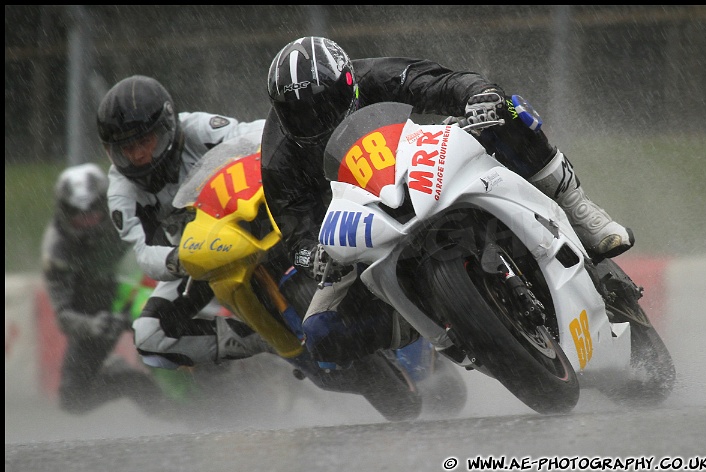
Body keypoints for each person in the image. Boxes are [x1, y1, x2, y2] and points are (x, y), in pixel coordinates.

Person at [261, 36, 635, 365]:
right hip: (363, 220)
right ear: (281, 111)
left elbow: (445, 82)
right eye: (299, 113)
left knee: (505, 108)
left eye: (323, 104)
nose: (314, 118)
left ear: (348, 84)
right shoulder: (278, 153)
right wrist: (312, 254)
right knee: (322, 335)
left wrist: (476, 95)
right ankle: (427, 320)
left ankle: (578, 206)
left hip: (422, 160)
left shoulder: (378, 76)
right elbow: (293, 226)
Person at [96, 74, 272, 370]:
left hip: (250, 220)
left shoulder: (198, 129)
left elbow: (258, 135)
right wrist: (184, 259)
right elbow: (144, 253)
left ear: (166, 127)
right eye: (127, 148)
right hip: (198, 256)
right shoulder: (121, 191)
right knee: (149, 336)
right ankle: (266, 339)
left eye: (144, 140)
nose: (138, 154)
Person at [40, 162, 165, 414]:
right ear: (64, 211)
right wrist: (92, 325)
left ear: (104, 204)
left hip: (146, 290)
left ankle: (197, 381)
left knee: (166, 339)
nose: (86, 221)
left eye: (92, 211)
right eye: (77, 213)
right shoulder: (56, 250)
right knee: (73, 399)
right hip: (98, 312)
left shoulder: (130, 209)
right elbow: (63, 315)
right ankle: (137, 386)